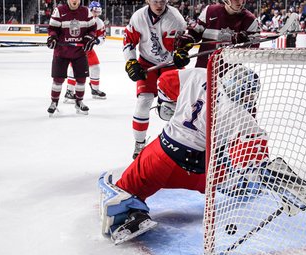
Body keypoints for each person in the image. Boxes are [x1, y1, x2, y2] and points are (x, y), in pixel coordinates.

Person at [98, 66, 306, 244]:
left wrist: (169, 103)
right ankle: (236, 185)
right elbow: (251, 162)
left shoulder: (198, 75)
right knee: (235, 172)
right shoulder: (244, 119)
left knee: (124, 189)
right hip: (202, 173)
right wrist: (267, 175)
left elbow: (164, 81)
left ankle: (135, 214)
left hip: (161, 157)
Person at [122, 0, 188, 159]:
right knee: (143, 102)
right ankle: (139, 144)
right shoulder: (138, 17)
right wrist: (131, 61)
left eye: (162, 1)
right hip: (147, 64)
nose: (159, 4)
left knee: (175, 108)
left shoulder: (176, 18)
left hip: (170, 66)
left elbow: (184, 42)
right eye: (155, 1)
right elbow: (129, 41)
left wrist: (181, 52)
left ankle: (177, 142)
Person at [46, 0, 97, 116]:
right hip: (61, 52)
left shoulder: (86, 12)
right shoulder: (59, 11)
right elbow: (52, 28)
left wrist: (90, 37)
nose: (74, 0)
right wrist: (53, 38)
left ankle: (79, 101)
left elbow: (92, 29)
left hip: (79, 52)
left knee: (81, 79)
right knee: (58, 80)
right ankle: (54, 102)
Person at [187, 0, 261, 68]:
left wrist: (245, 44)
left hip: (230, 74)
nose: (240, 2)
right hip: (203, 68)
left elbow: (254, 50)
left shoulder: (250, 20)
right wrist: (183, 47)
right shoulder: (209, 11)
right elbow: (194, 34)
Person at [64, 1, 107, 103]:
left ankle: (95, 90)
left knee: (95, 67)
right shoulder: (81, 17)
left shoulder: (99, 22)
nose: (96, 14)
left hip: (88, 49)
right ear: (90, 10)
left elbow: (102, 37)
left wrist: (96, 41)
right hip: (77, 49)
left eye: (98, 12)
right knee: (74, 68)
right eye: (94, 11)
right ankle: (69, 92)